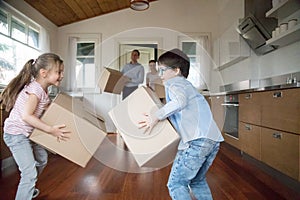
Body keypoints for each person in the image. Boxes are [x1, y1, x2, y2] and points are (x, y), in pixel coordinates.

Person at [139, 48, 224, 200]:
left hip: (196, 142)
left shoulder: (174, 83)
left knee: (176, 184)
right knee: (197, 181)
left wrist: (156, 116)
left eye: (163, 70)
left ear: (176, 70)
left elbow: (179, 102)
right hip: (212, 140)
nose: (160, 75)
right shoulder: (188, 86)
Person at [0, 53, 71, 200]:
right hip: (16, 134)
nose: (62, 75)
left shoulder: (43, 90)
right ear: (44, 73)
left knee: (42, 159)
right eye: (59, 72)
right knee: (29, 173)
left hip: (28, 133)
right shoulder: (35, 90)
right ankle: (27, 187)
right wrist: (51, 130)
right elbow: (27, 116)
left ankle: (28, 187)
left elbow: (45, 109)